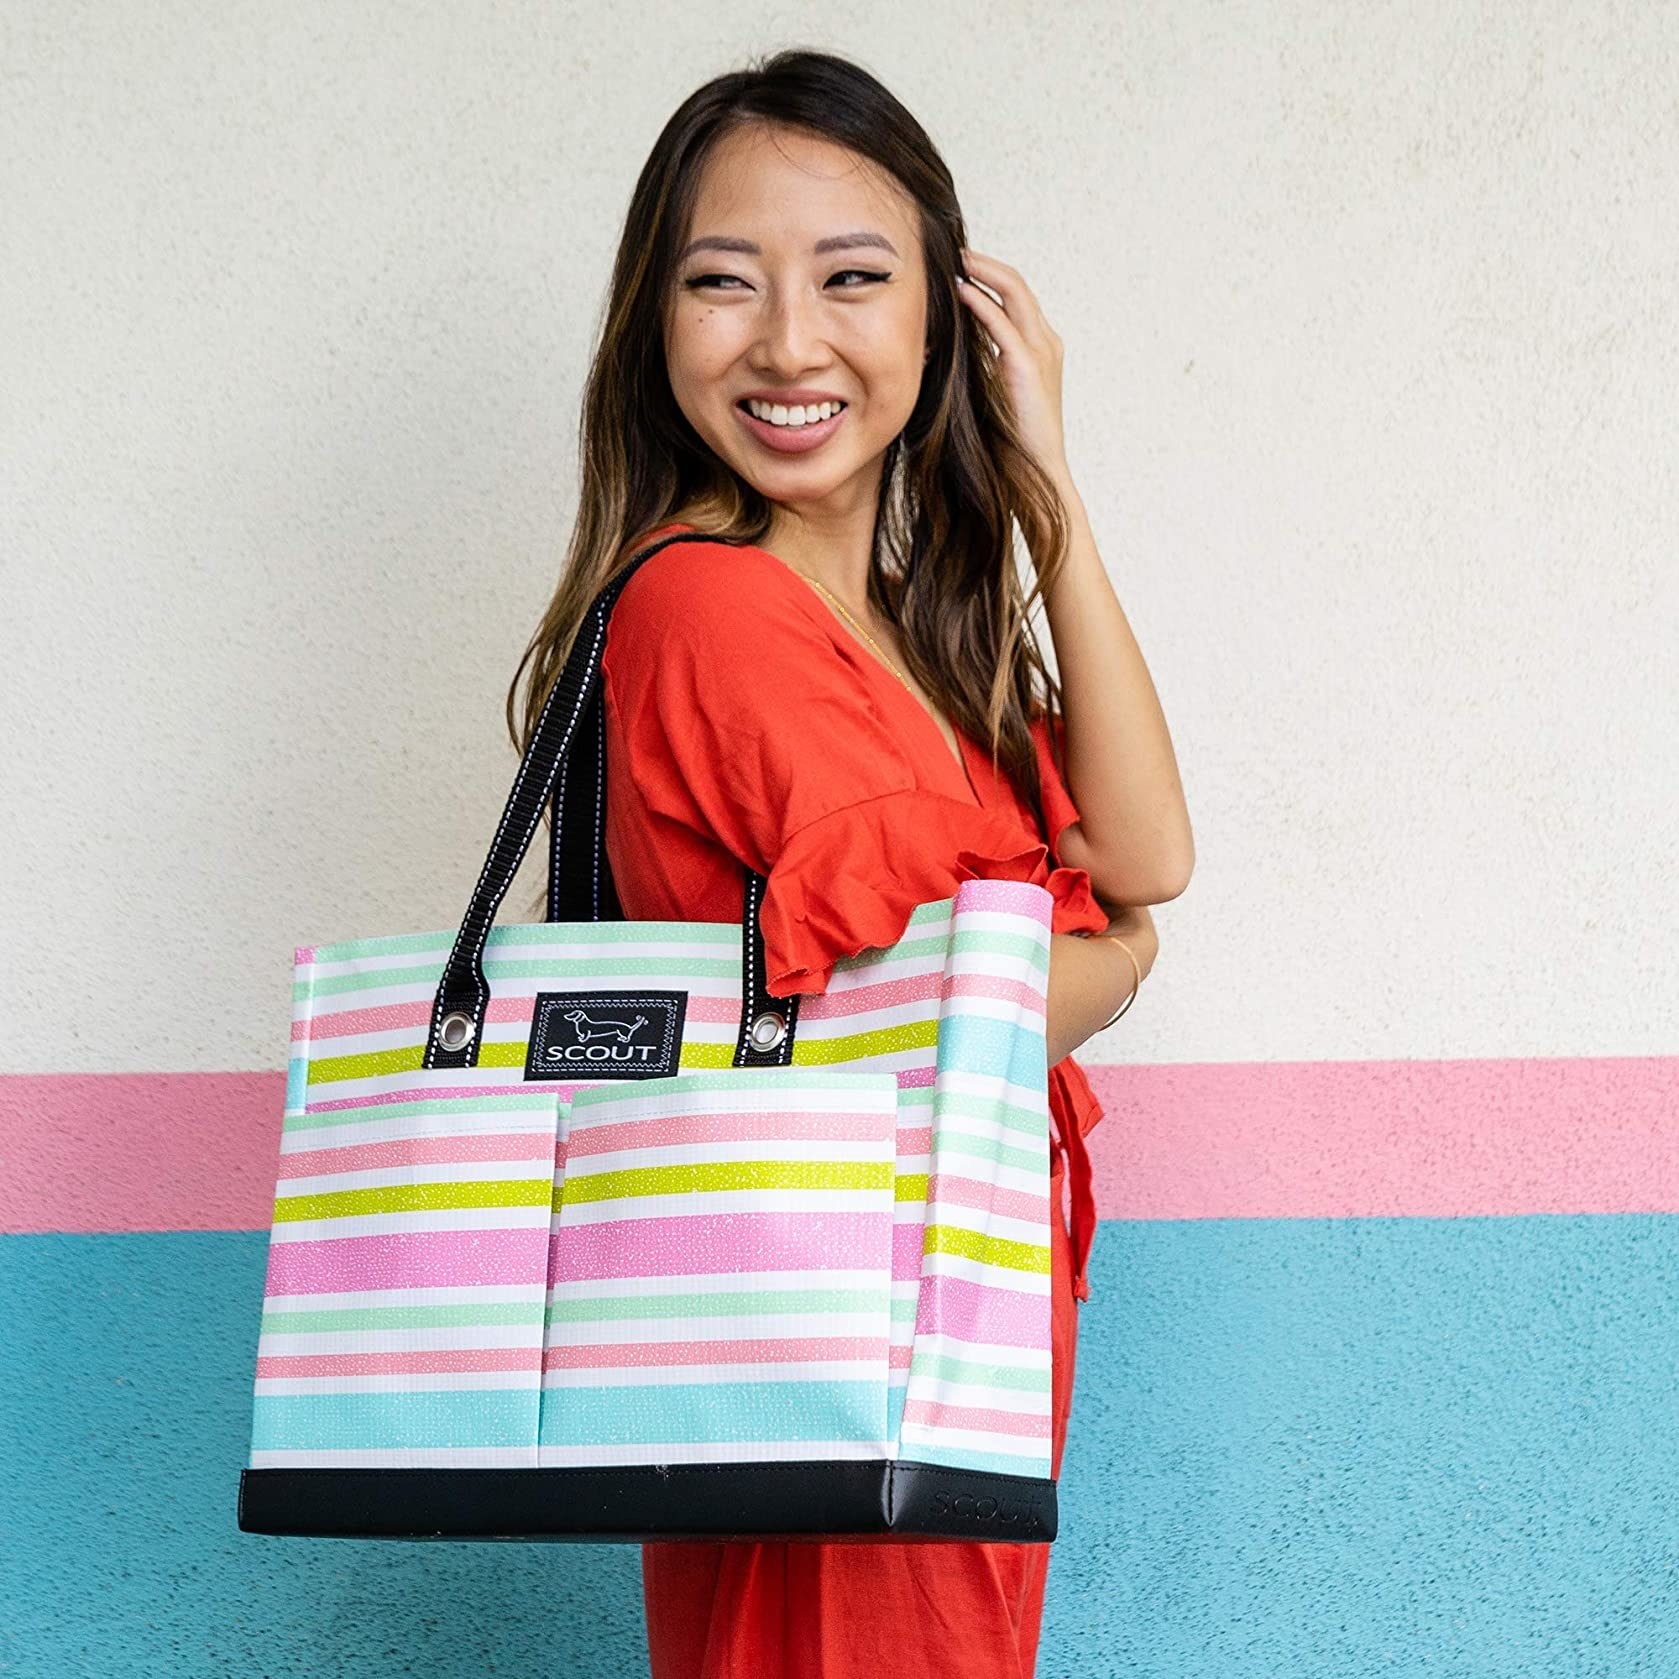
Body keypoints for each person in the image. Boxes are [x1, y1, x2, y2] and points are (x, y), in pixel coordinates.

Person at [504, 46, 1194, 1679]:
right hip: (841, 1329)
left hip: (934, 1332)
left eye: (854, 279)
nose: (789, 343)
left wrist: (1048, 489)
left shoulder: (910, 639)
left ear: (943, 322)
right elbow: (948, 1018)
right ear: (652, 324)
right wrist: (1114, 957)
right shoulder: (709, 605)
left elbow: (1148, 849)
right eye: (723, 283)